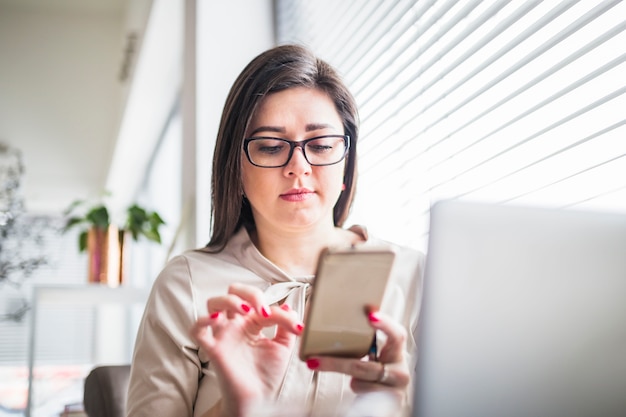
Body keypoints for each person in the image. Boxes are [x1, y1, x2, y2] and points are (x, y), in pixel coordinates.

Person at [126, 44, 424, 417]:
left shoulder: (417, 278)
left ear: (346, 164)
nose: (298, 167)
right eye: (269, 147)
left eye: (320, 145)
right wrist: (238, 407)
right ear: (236, 169)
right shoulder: (185, 285)